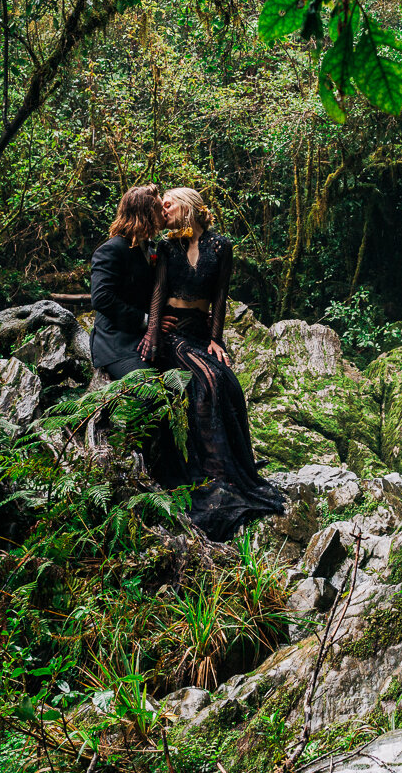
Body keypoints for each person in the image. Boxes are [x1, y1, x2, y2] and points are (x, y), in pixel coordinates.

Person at [138, 187, 285, 540]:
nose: (163, 210)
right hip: (172, 334)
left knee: (226, 381)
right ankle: (212, 475)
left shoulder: (222, 247)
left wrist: (216, 340)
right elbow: (158, 292)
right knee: (206, 380)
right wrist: (153, 332)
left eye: (168, 204)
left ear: (187, 206)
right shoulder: (166, 246)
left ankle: (234, 471)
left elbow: (219, 297)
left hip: (200, 332)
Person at [89, 184, 180, 483]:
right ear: (145, 212)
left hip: (149, 340)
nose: (163, 213)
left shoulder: (152, 249)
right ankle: (133, 468)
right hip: (116, 343)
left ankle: (181, 470)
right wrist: (146, 321)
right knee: (151, 393)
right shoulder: (111, 250)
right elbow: (101, 299)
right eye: (158, 208)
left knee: (184, 387)